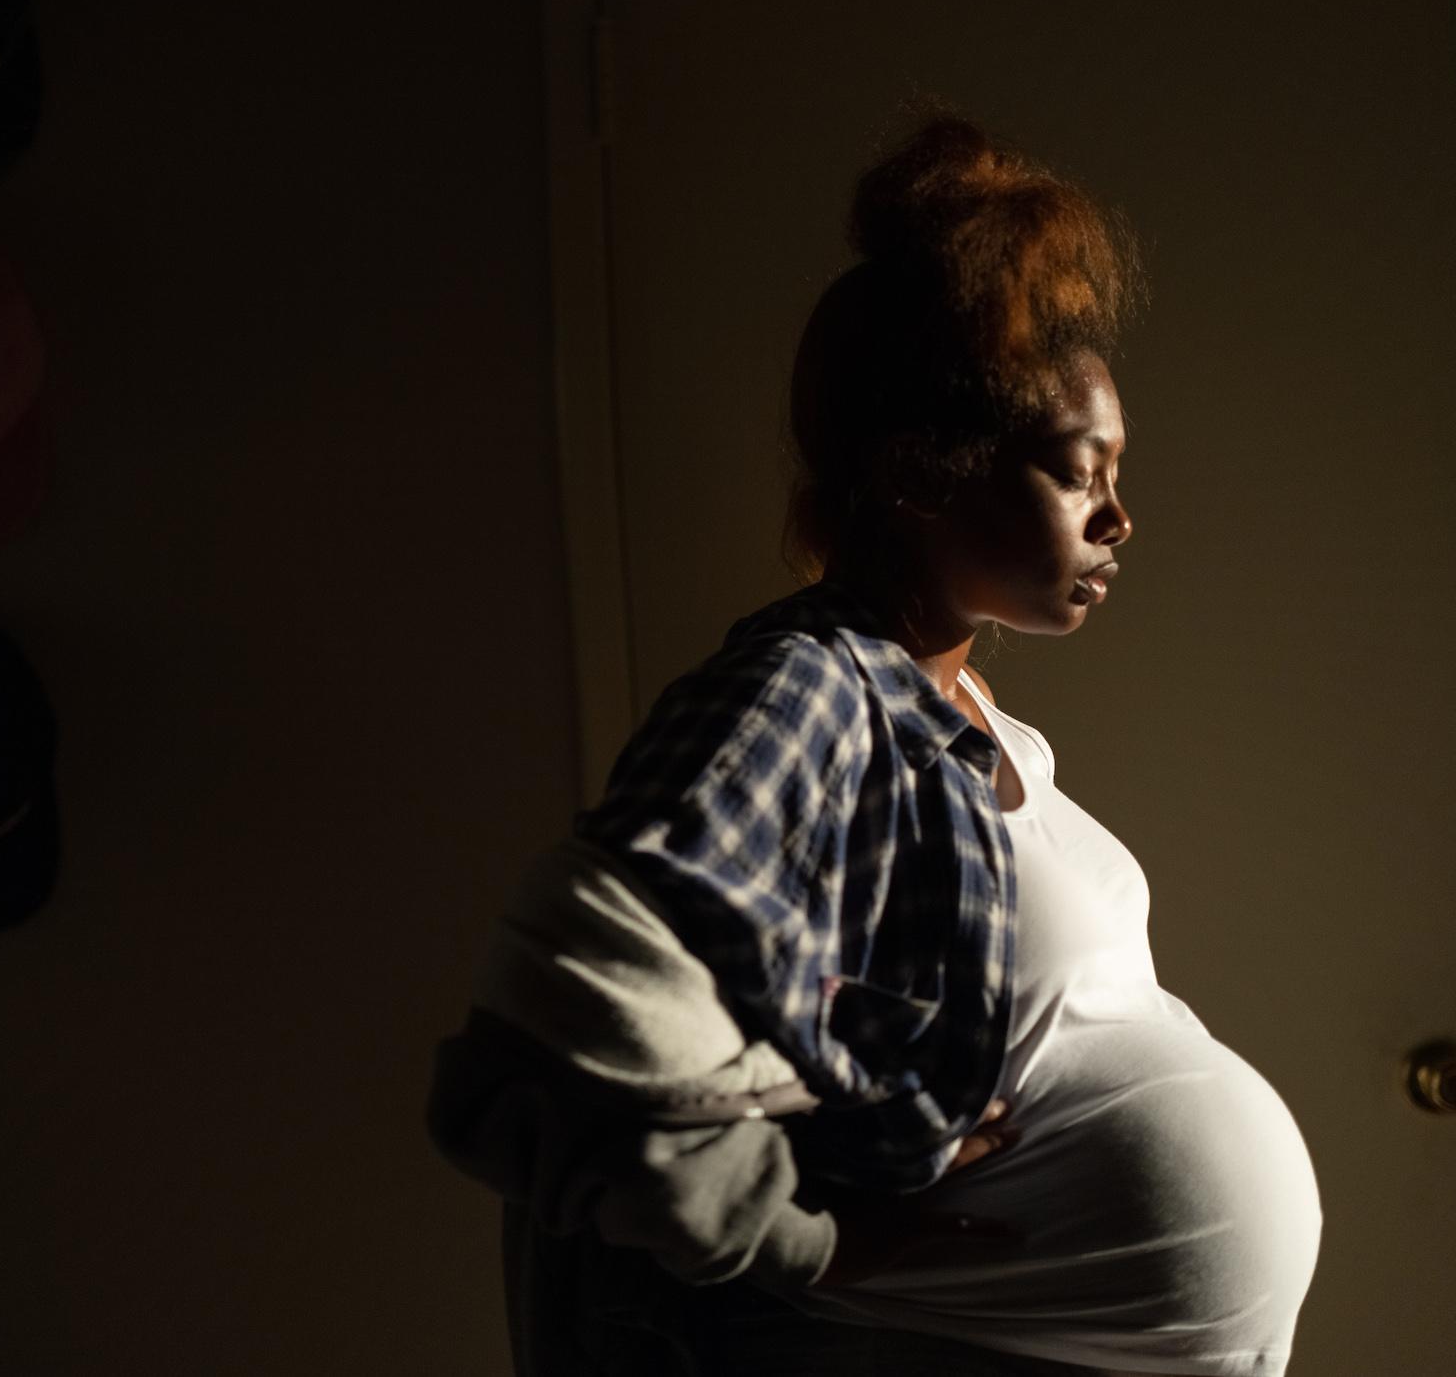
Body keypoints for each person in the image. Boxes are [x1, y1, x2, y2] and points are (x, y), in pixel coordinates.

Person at [430, 109, 1321, 1376]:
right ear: (918, 473)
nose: (1118, 518)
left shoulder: (966, 727)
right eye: (1077, 473)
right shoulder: (809, 690)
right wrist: (796, 1244)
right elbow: (568, 983)